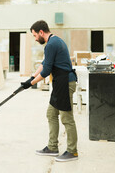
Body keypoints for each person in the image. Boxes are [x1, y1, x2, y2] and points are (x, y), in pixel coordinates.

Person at [21, 20, 78, 162]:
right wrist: (32, 76)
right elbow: (44, 63)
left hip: (65, 83)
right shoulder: (54, 41)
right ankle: (53, 147)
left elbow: (46, 71)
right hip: (59, 83)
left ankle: (73, 151)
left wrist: (31, 83)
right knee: (51, 113)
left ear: (41, 32)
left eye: (35, 35)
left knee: (66, 118)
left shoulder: (51, 44)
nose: (35, 39)